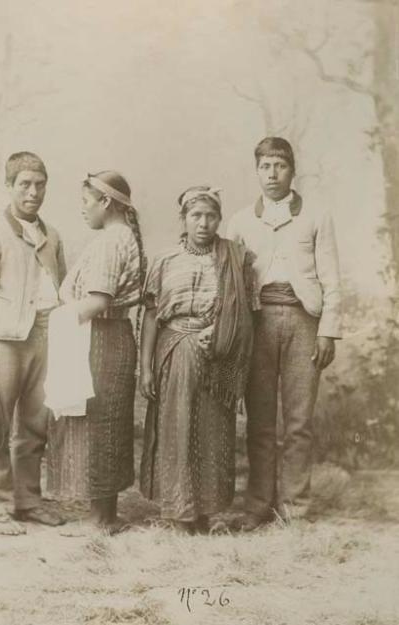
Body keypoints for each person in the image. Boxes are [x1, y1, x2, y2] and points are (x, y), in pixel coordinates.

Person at [227, 137, 342, 530]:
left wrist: (328, 331)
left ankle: (296, 506)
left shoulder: (316, 215)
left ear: (292, 170)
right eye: (264, 167)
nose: (272, 174)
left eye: (279, 166)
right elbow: (231, 282)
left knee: (298, 421)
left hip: (302, 320)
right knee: (259, 420)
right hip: (257, 324)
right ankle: (258, 504)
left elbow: (330, 278)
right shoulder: (241, 221)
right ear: (256, 170)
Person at [0, 151, 66, 535]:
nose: (33, 192)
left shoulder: (52, 235)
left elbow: (62, 288)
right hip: (4, 343)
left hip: (44, 336)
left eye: (39, 185)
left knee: (35, 424)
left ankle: (28, 500)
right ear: (9, 187)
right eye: (24, 184)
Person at [139, 186, 253, 534]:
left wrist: (218, 331)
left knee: (212, 431)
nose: (204, 223)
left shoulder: (233, 257)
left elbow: (242, 312)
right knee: (177, 428)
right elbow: (150, 315)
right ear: (183, 219)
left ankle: (204, 512)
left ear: (220, 219)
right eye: (196, 216)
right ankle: (179, 513)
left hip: (217, 355)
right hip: (174, 351)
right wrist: (145, 366)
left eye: (211, 216)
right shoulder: (164, 259)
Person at [46, 171, 145, 534]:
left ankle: (101, 519)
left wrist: (56, 316)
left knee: (101, 423)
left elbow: (98, 300)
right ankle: (104, 514)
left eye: (86, 203)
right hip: (109, 335)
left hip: (101, 337)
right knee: (106, 422)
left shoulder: (111, 241)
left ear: (106, 202)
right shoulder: (122, 237)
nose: (82, 211)